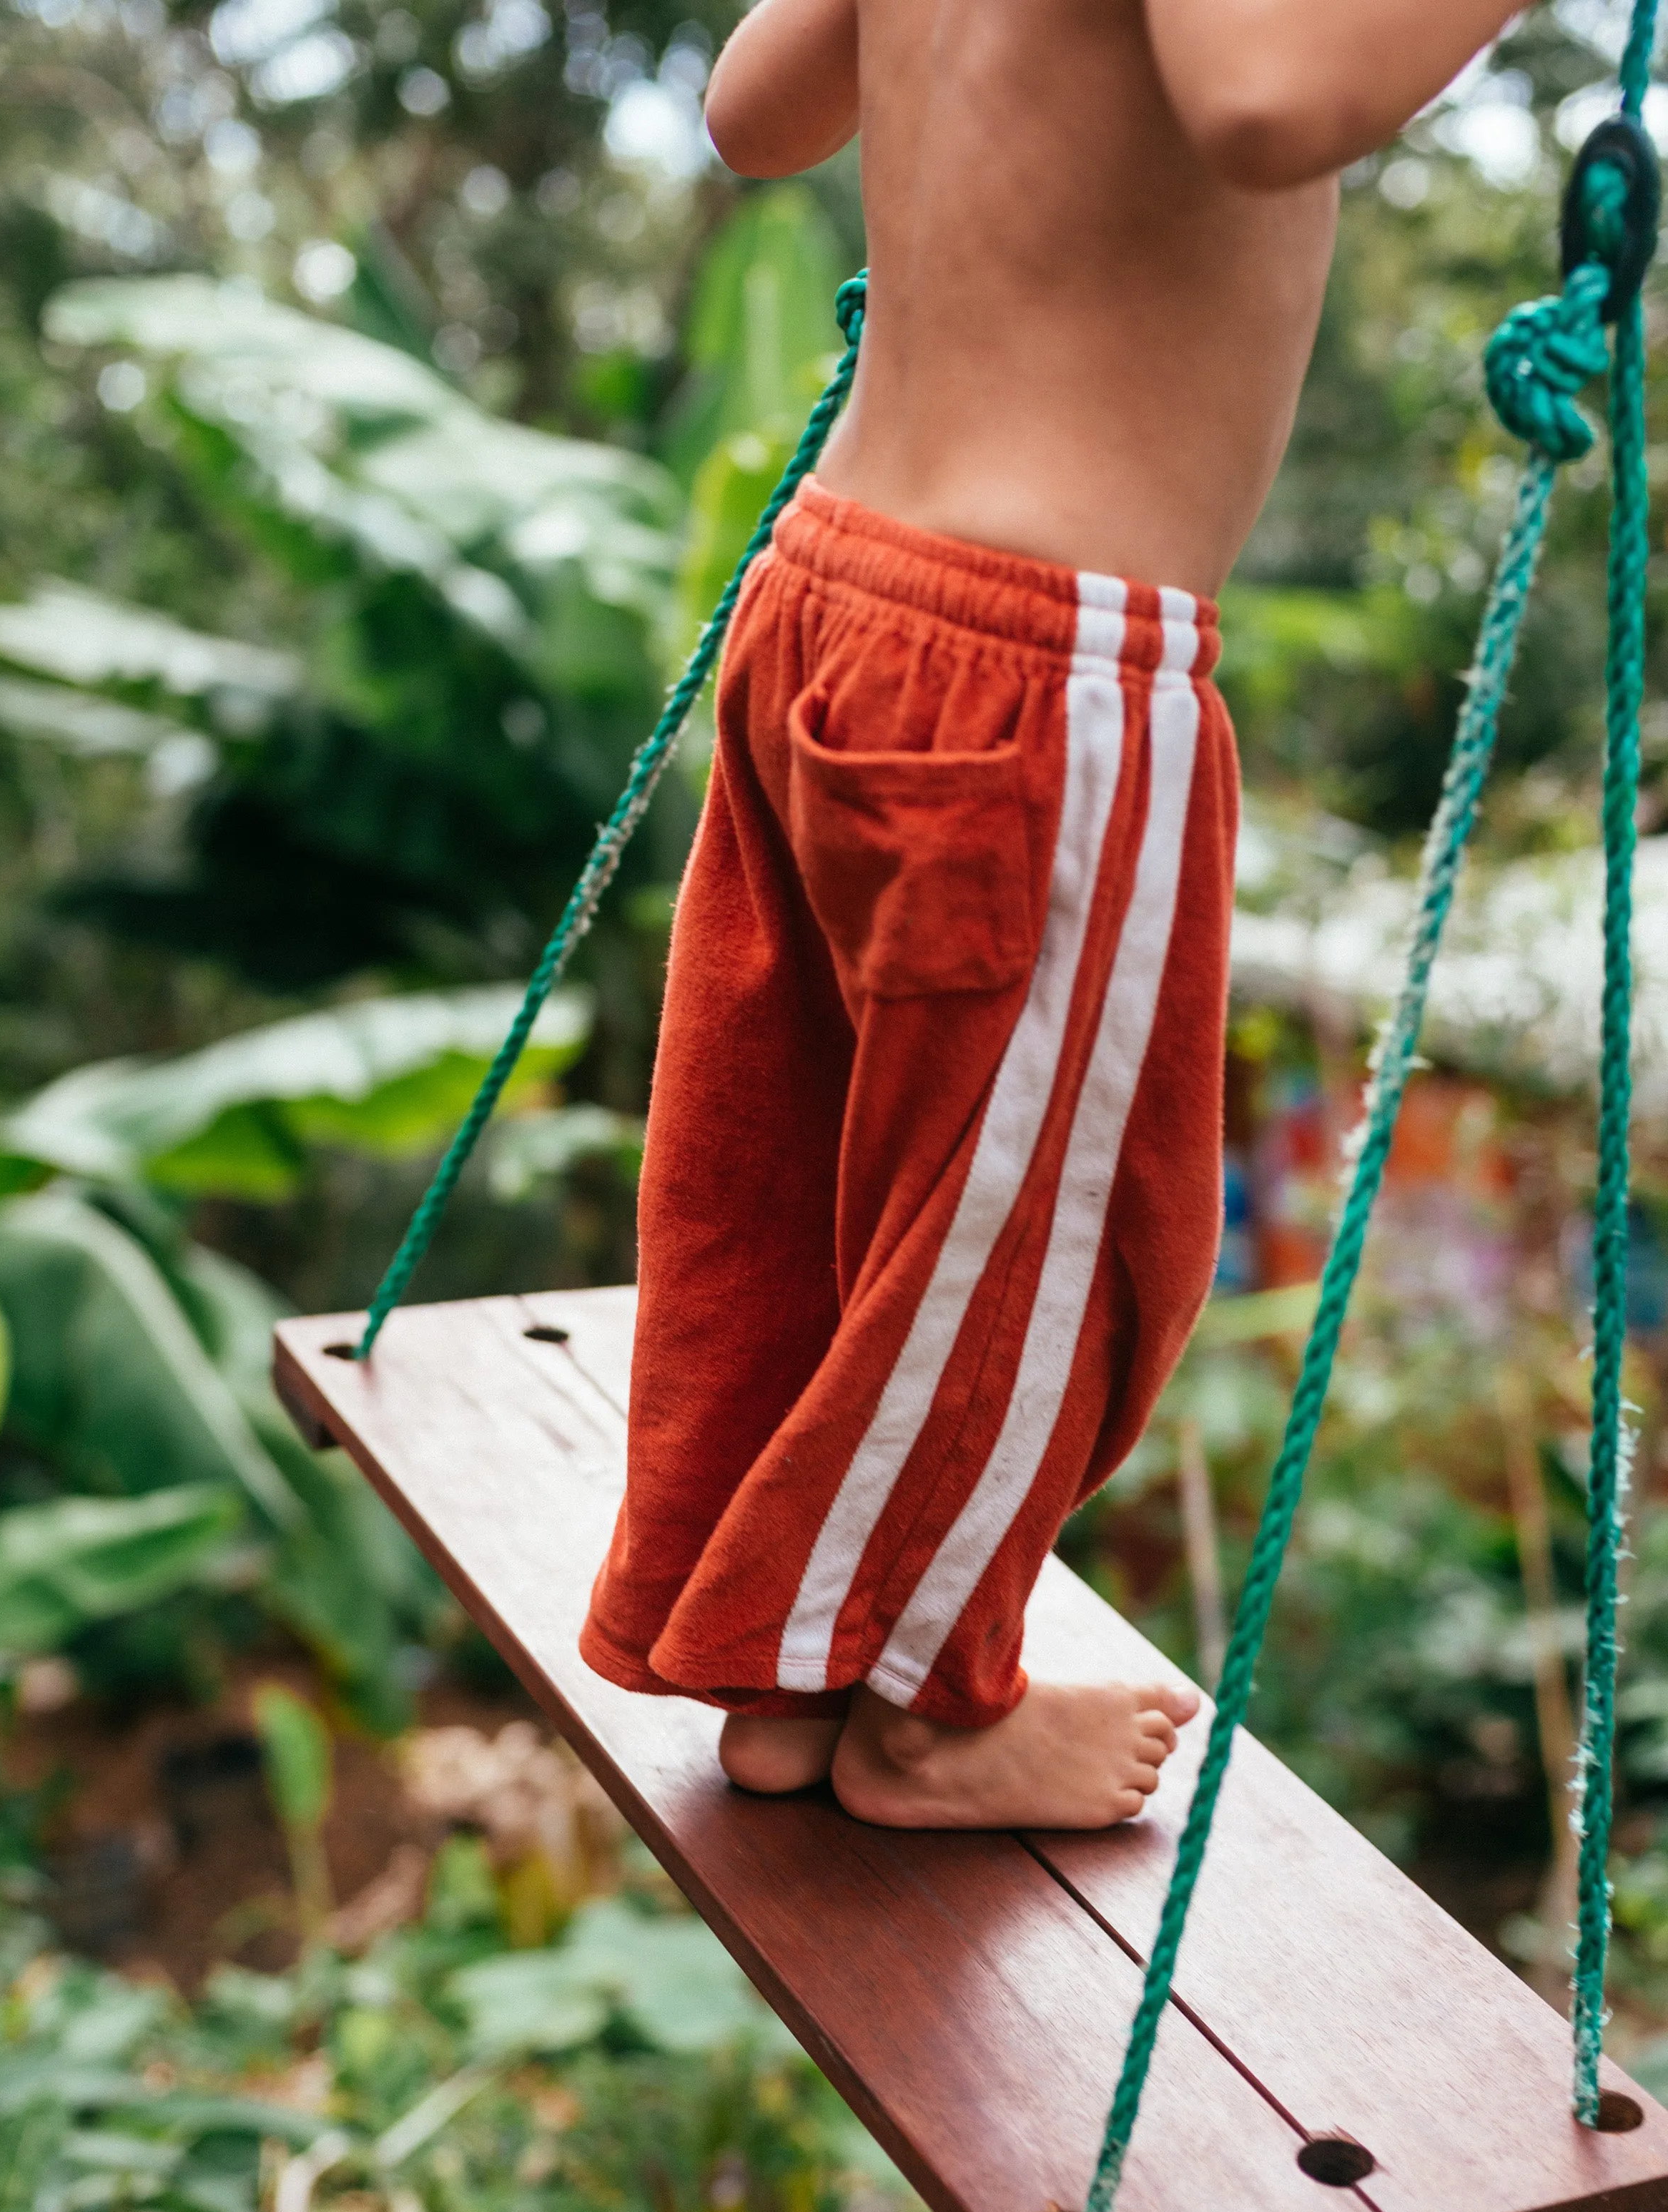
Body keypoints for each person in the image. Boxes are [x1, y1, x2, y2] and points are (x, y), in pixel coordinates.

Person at [578, 0, 1528, 1827]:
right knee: (1045, 1241)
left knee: (785, 1190)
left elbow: (754, 111)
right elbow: (1267, 97)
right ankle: (932, 1709)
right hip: (1043, 667)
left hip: (832, 594)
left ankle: (775, 1675)